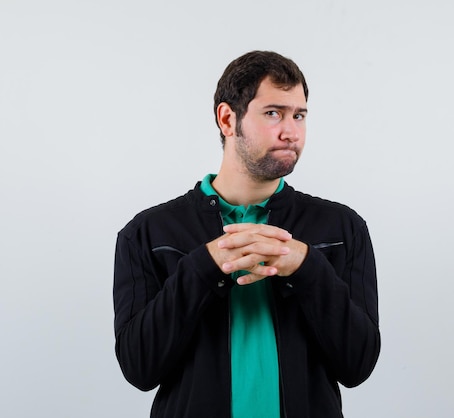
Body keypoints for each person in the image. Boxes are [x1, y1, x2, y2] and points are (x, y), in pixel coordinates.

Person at [113, 50, 380, 418]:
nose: (291, 132)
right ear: (227, 119)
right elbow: (139, 368)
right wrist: (203, 266)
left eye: (298, 115)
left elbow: (358, 366)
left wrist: (307, 267)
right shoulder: (147, 233)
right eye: (273, 113)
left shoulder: (342, 228)